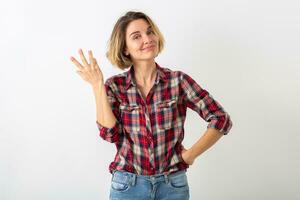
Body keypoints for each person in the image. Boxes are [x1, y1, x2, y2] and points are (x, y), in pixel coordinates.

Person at [70, 10, 233, 200]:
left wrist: (190, 155)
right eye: (136, 36)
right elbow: (109, 134)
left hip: (172, 185)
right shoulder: (115, 86)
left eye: (149, 32)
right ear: (125, 48)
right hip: (127, 186)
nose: (147, 39)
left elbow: (221, 119)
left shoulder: (178, 81)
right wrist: (97, 85)